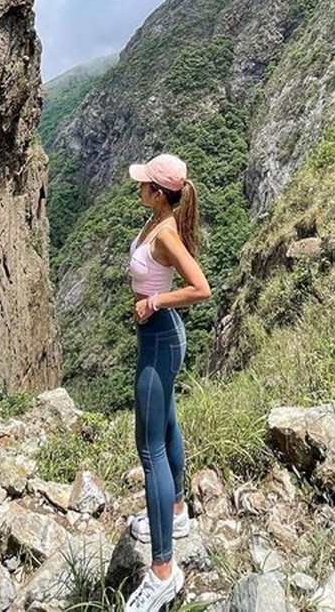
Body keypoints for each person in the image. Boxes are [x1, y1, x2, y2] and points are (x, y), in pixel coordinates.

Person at [124, 153, 211, 612]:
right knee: (168, 424)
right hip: (158, 337)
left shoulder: (166, 233)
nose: (138, 187)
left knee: (149, 446)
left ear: (159, 193)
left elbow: (200, 287)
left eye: (144, 184)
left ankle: (163, 571)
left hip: (159, 338)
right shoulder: (157, 219)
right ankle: (177, 512)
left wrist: (155, 300)